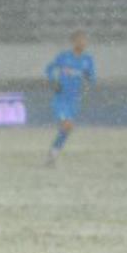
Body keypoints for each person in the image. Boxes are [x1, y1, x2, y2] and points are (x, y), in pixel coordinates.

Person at [44, 30, 95, 166]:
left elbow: (91, 77)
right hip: (61, 99)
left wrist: (87, 84)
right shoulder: (64, 57)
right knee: (67, 125)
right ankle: (52, 155)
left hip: (74, 100)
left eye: (85, 40)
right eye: (80, 40)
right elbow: (49, 69)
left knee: (66, 129)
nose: (83, 43)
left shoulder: (87, 60)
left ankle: (52, 155)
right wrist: (53, 81)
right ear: (74, 42)